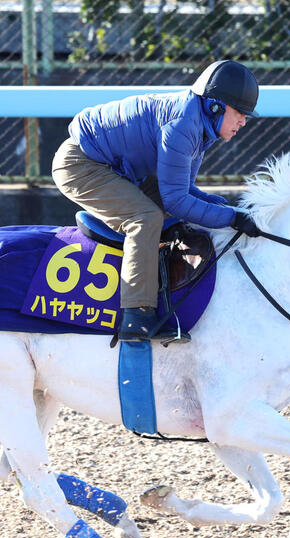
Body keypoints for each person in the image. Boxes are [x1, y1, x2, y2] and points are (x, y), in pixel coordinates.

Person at [52, 59, 264, 342]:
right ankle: (136, 316)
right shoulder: (182, 126)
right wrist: (231, 218)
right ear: (215, 106)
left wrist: (227, 208)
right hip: (80, 164)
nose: (243, 122)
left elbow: (185, 190)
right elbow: (177, 201)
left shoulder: (199, 124)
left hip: (109, 164)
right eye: (239, 113)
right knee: (145, 218)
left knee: (176, 215)